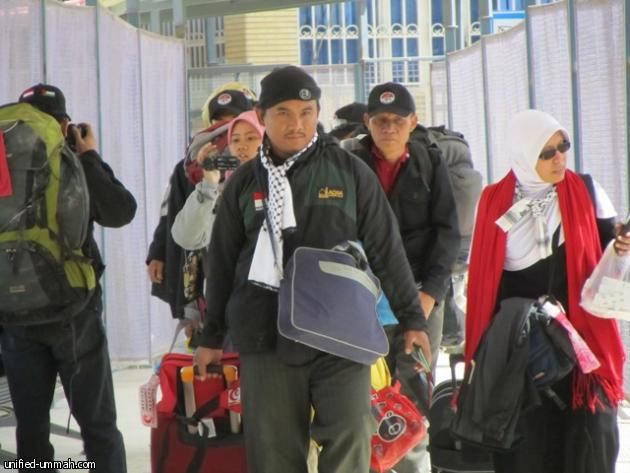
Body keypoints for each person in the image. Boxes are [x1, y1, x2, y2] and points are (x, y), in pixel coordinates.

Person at [193, 66, 431, 473]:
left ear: (318, 112)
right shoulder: (244, 183)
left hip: (341, 334)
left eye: (306, 112)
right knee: (274, 454)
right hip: (265, 335)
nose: (296, 123)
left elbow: (386, 249)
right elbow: (222, 262)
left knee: (351, 438)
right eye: (283, 113)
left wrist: (412, 318)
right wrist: (211, 335)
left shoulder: (349, 172)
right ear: (262, 116)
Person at [465, 109, 628, 473]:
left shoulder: (586, 191)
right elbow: (485, 280)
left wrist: (620, 246)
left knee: (589, 442)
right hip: (525, 350)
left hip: (581, 346)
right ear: (525, 154)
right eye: (547, 152)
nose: (560, 158)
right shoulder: (494, 201)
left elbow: (609, 247)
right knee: (528, 449)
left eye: (563, 146)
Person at [1, 83, 136, 472]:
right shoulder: (68, 162)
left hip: (14, 315)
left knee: (31, 429)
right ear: (64, 126)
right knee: (97, 425)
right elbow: (120, 211)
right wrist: (89, 155)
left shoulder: (2, 165)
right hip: (72, 312)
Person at [343, 82, 460, 473]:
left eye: (397, 120)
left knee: (412, 399)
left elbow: (448, 234)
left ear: (413, 121)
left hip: (422, 298)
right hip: (364, 303)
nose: (389, 128)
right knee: (364, 396)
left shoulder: (430, 162)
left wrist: (430, 294)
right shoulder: (350, 164)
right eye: (381, 120)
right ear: (367, 122)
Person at [145, 88, 254, 322]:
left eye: (232, 120)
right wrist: (158, 252)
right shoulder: (190, 168)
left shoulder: (265, 169)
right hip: (205, 280)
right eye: (218, 121)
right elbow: (171, 213)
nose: (223, 128)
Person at [171, 110, 264, 250]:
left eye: (251, 138)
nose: (241, 146)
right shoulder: (224, 192)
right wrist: (208, 186)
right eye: (235, 140)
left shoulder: (281, 183)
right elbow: (187, 238)